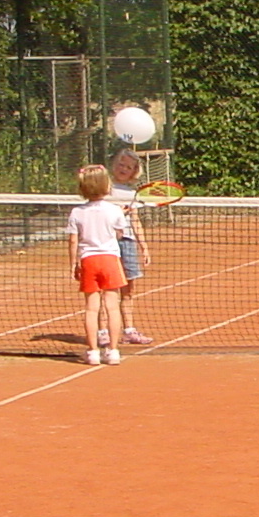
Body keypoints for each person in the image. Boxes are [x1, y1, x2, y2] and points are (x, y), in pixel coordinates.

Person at [68, 165, 131, 367]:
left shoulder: (76, 212)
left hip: (89, 261)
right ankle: (113, 351)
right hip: (110, 260)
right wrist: (121, 215)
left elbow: (73, 241)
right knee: (112, 308)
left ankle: (93, 351)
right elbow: (120, 235)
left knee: (91, 309)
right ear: (106, 185)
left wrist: (73, 265)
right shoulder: (114, 211)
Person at [107, 149, 153, 346]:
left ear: (135, 171)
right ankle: (103, 331)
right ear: (114, 166)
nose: (124, 169)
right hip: (108, 242)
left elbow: (135, 221)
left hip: (128, 242)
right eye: (121, 165)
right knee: (107, 289)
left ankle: (129, 330)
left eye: (129, 167)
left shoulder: (133, 193)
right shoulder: (104, 188)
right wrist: (118, 213)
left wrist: (144, 247)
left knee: (128, 289)